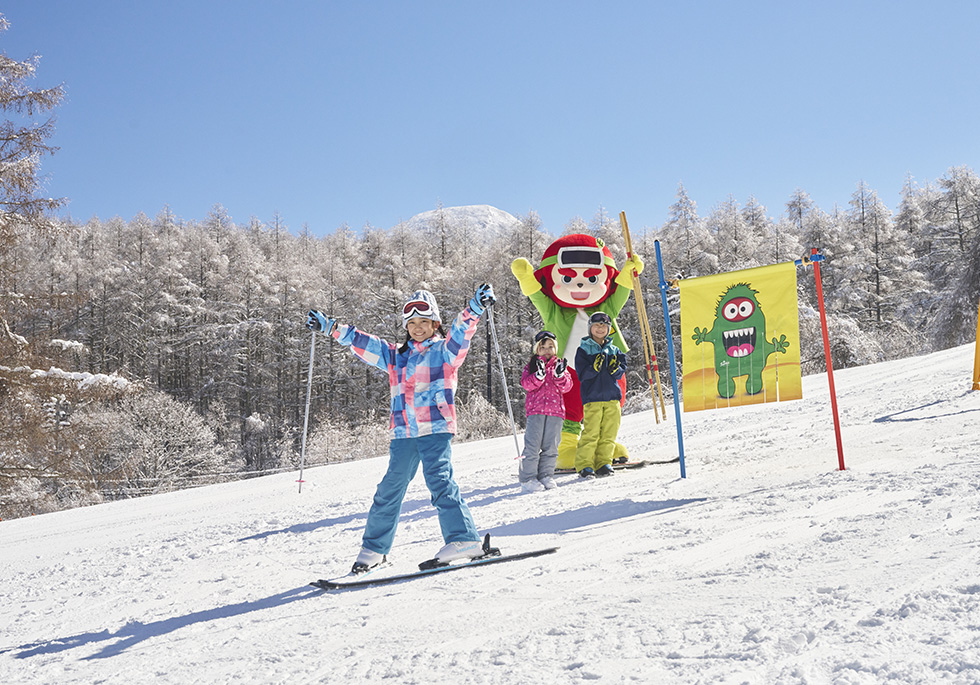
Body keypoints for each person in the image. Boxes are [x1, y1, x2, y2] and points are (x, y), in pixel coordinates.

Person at [307, 283, 496, 573]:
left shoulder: (445, 352)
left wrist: (474, 307)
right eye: (412, 323)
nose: (417, 328)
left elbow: (462, 332)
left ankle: (463, 539)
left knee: (440, 482)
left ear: (435, 324)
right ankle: (374, 549)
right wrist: (330, 327)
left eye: (424, 322)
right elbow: (363, 342)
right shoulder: (396, 356)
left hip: (434, 428)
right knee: (389, 489)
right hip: (404, 433)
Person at [573, 311, 627, 479]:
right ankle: (585, 465)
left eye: (604, 326)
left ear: (609, 329)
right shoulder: (583, 350)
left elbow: (621, 371)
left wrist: (615, 369)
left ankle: (604, 463)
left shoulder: (615, 350)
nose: (600, 328)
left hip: (612, 398)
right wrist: (593, 368)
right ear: (590, 328)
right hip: (593, 399)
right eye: (597, 325)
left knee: (609, 433)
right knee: (591, 433)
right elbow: (581, 374)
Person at [518, 330, 572, 493]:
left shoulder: (560, 366)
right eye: (543, 347)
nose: (547, 350)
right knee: (533, 445)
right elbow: (526, 384)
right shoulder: (532, 366)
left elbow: (567, 387)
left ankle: (546, 475)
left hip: (556, 413)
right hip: (536, 411)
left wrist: (559, 375)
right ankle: (528, 478)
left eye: (550, 347)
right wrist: (538, 376)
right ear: (537, 350)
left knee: (551, 446)